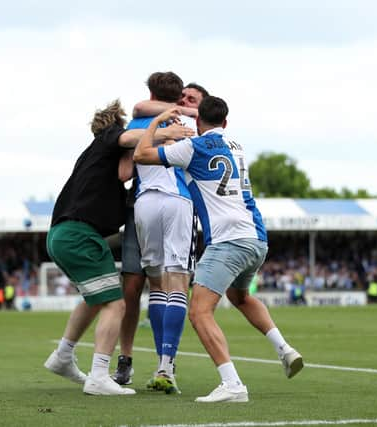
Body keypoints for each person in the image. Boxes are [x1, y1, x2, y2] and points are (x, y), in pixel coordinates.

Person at [134, 97, 303, 403]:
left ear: (198, 122)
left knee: (199, 311)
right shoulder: (236, 145)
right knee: (240, 297)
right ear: (225, 122)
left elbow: (141, 154)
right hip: (257, 238)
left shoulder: (192, 147)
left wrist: (158, 123)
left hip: (228, 240)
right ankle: (284, 349)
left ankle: (232, 384)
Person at [42, 99, 193, 396]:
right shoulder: (109, 137)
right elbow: (128, 140)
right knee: (117, 303)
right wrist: (164, 133)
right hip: (80, 235)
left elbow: (124, 173)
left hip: (66, 235)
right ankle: (99, 375)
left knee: (96, 298)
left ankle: (62, 356)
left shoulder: (95, 158)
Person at [114, 72, 200, 393]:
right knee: (177, 282)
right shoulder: (189, 125)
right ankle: (166, 365)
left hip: (144, 203)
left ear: (151, 93)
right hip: (179, 201)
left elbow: (124, 172)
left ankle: (141, 362)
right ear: (179, 96)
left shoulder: (137, 125)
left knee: (155, 286)